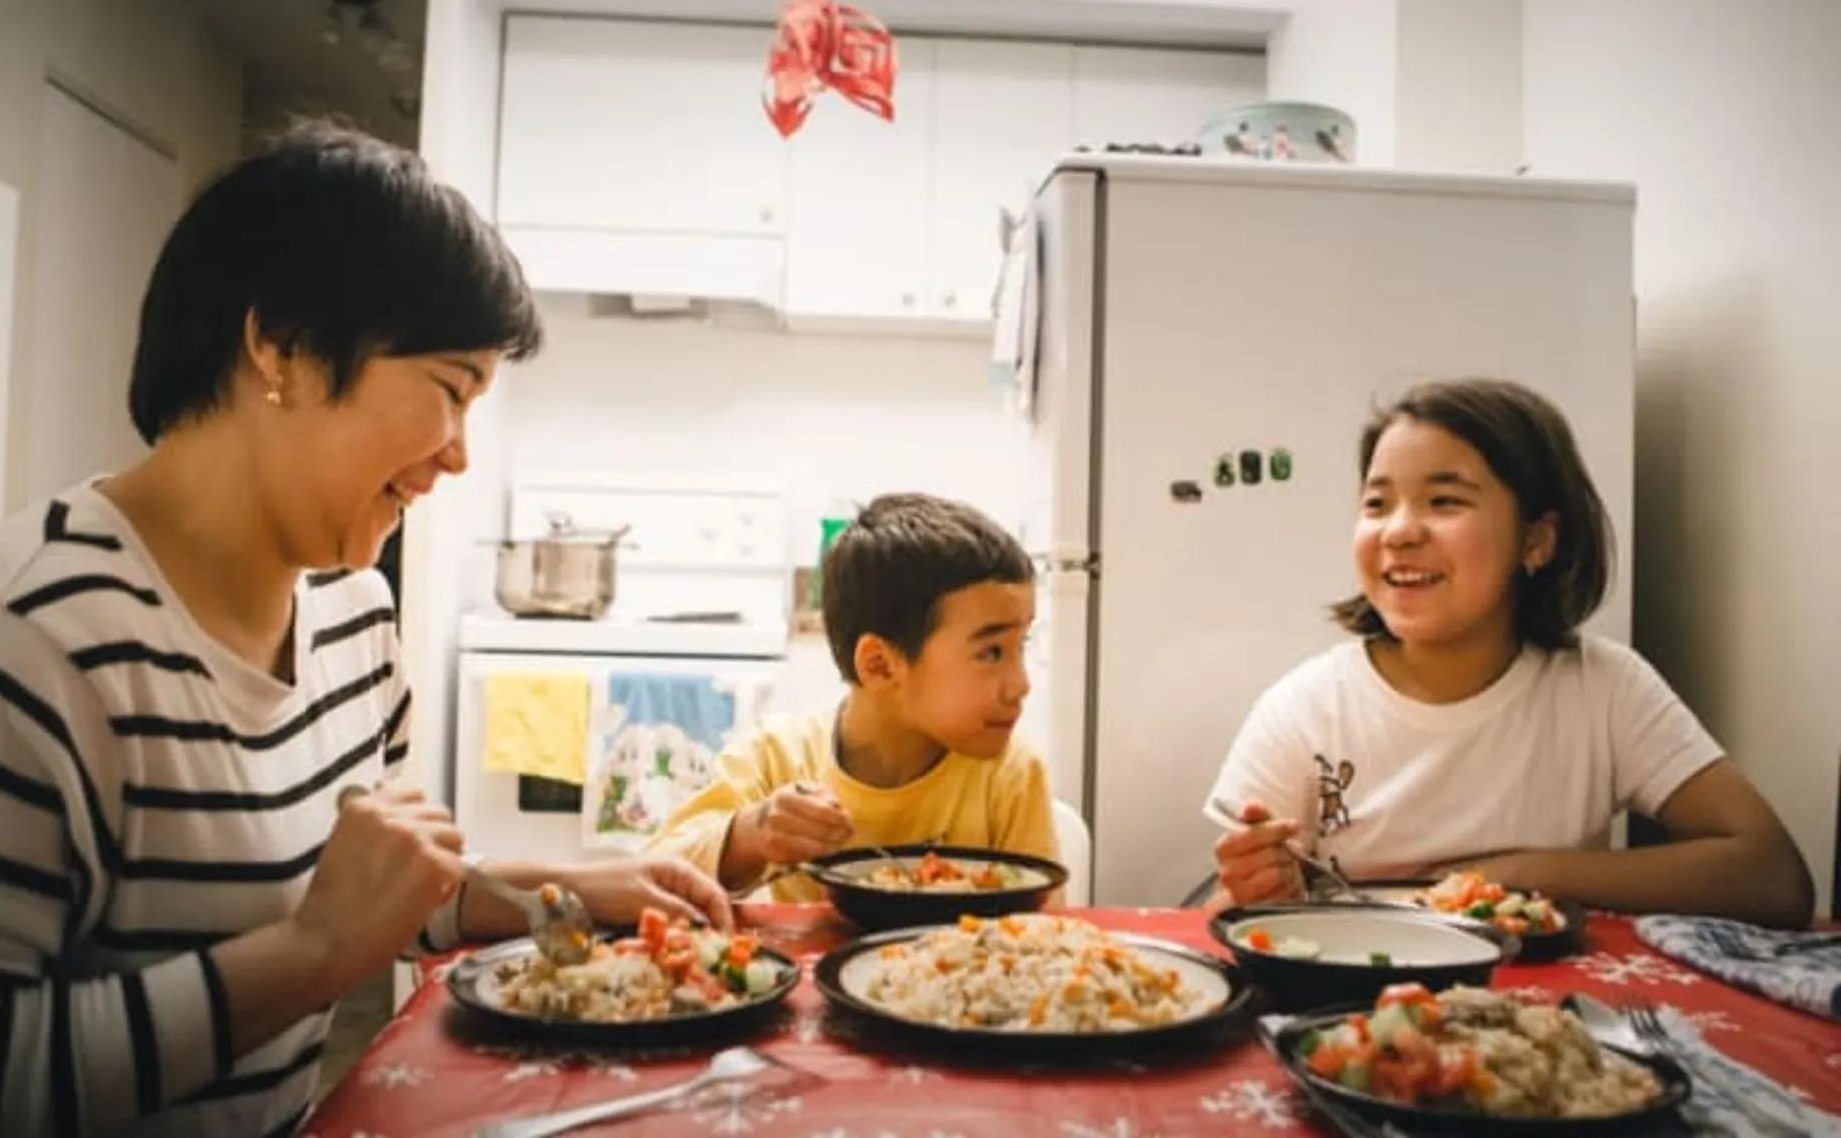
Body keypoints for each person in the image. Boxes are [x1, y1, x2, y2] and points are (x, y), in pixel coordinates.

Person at [0, 122, 732, 1138]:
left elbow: (361, 893)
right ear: (279, 344)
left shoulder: (350, 618)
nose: (458, 456)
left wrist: (554, 897)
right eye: (450, 390)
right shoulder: (12, 650)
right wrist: (309, 961)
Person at [1202, 378, 1814, 927]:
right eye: (1376, 503)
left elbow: (1774, 878)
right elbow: (1227, 918)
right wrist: (1259, 887)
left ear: (1537, 540)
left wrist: (1518, 874)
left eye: (1444, 501)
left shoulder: (1602, 688)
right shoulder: (1307, 707)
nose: (1399, 531)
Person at [650, 493, 1059, 900]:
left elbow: (1047, 943)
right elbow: (658, 874)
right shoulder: (778, 756)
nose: (1021, 684)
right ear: (880, 665)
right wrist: (751, 834)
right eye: (991, 653)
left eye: (1021, 645)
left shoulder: (1013, 776)